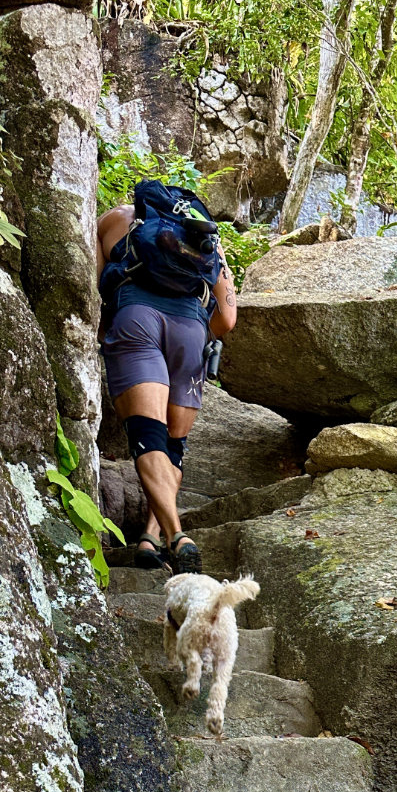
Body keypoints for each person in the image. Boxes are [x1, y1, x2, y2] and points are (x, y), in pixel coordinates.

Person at [96, 189, 238, 571]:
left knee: (148, 436)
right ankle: (149, 537)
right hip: (190, 331)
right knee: (173, 446)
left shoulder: (115, 220)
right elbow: (226, 320)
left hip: (136, 318)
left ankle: (176, 534)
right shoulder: (206, 240)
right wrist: (196, 330)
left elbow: (96, 290)